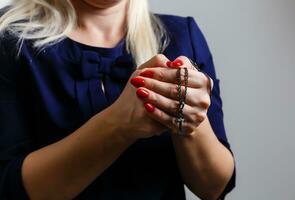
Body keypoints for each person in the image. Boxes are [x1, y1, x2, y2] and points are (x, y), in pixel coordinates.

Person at [0, 0, 236, 199]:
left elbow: (213, 187)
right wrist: (118, 125)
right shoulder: (10, 37)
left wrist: (189, 118)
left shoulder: (183, 35)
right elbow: (9, 187)